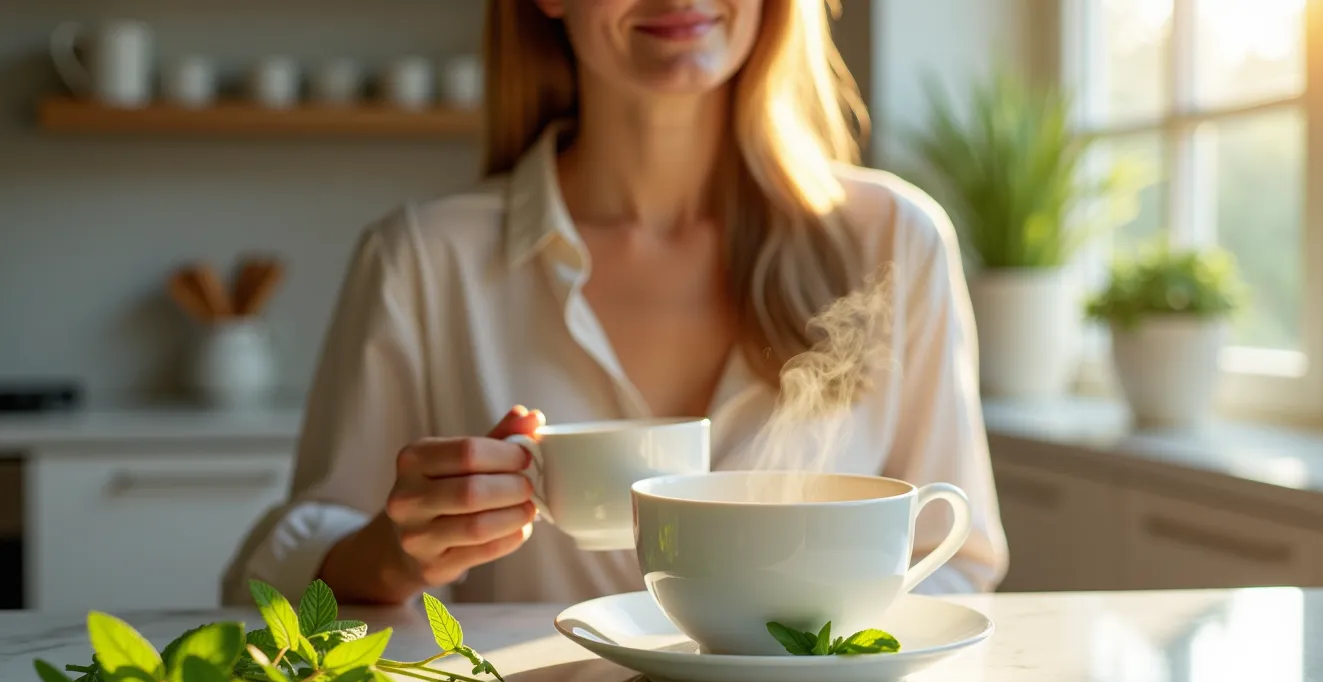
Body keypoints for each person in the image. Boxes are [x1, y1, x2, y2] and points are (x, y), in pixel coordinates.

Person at [222, 0, 1010, 607]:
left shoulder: (895, 241)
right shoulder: (425, 259)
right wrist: (397, 552)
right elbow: (273, 574)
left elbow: (957, 559)